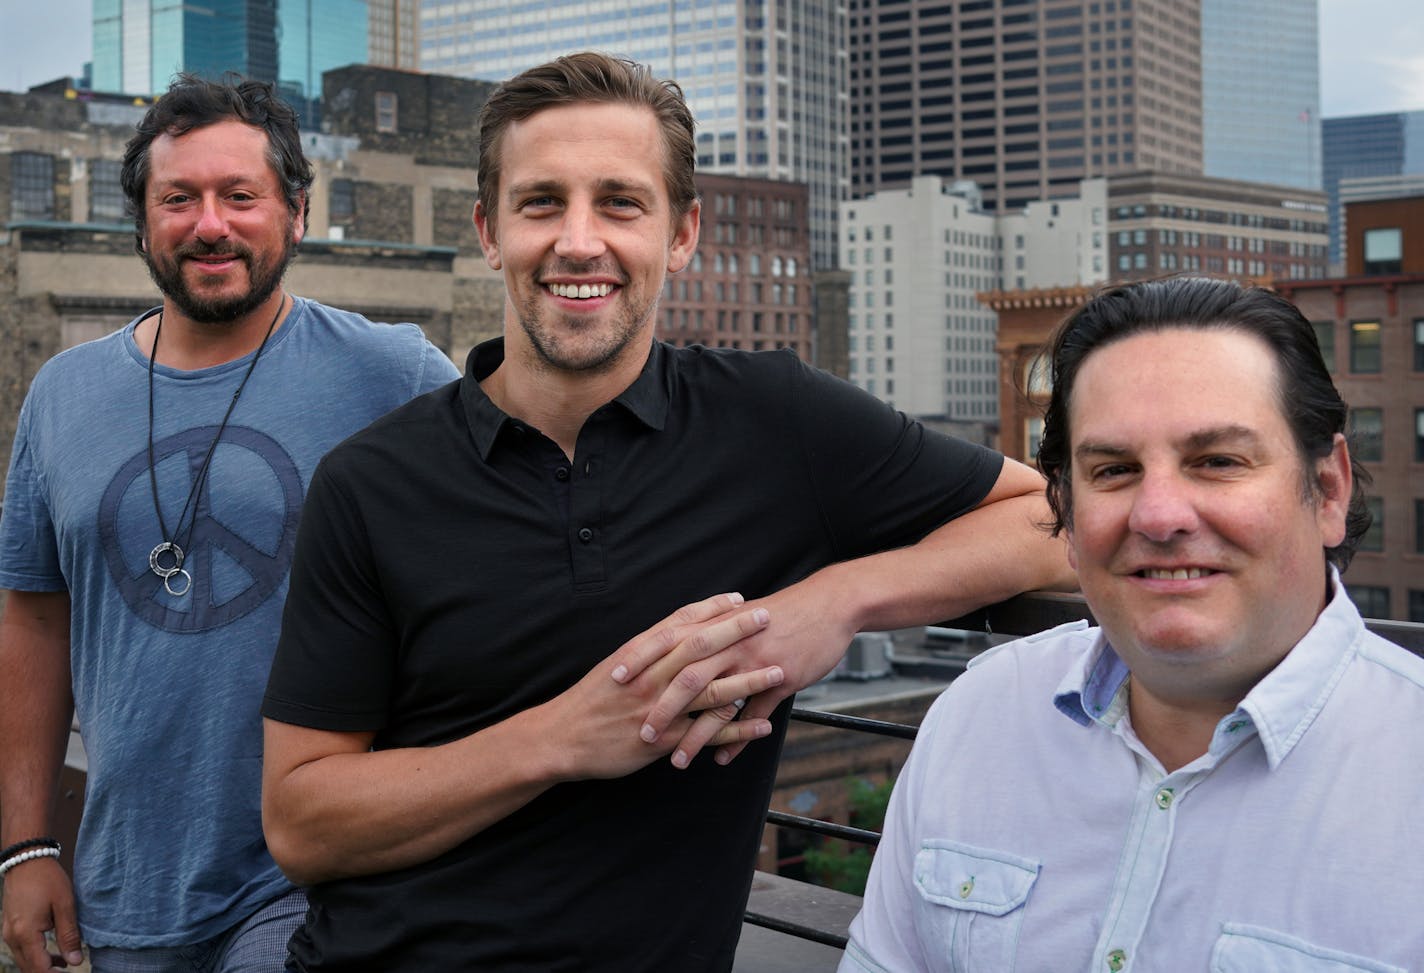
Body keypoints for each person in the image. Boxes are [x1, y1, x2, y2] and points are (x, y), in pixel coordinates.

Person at [258, 51, 1073, 972]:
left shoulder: (776, 422)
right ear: (489, 231)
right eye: (541, 203)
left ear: (681, 233)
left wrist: (838, 599)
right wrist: (564, 737)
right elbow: (301, 823)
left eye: (619, 202)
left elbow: (1060, 523)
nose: (578, 240)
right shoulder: (370, 481)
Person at [0, 76, 459, 973]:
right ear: (142, 220)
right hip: (125, 883)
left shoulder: (394, 372)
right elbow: (33, 617)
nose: (210, 223)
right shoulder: (62, 394)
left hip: (311, 878)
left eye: (239, 196)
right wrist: (24, 845)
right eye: (179, 198)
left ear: (295, 211)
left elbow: (530, 505)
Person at [843, 276, 1424, 972]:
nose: (1158, 514)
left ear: (1327, 490)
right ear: (1065, 504)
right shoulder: (976, 716)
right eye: (1115, 469)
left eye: (1217, 462)